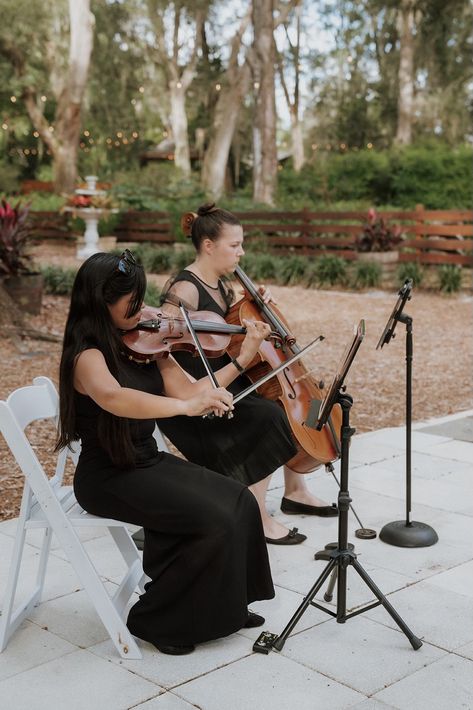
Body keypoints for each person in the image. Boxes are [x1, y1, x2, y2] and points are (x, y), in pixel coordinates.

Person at [55, 249, 275, 656]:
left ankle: (228, 604)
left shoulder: (145, 344)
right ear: (100, 302)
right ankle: (159, 621)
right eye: (132, 303)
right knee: (211, 519)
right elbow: (116, 398)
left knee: (239, 500)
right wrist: (184, 408)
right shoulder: (87, 357)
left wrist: (242, 359)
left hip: (146, 460)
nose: (143, 311)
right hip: (109, 476)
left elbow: (193, 391)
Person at [156, 202, 338, 545]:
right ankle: (256, 514)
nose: (242, 252)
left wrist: (257, 303)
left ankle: (296, 491)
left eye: (241, 244)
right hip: (201, 392)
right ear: (208, 246)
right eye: (234, 245)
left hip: (227, 378)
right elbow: (162, 343)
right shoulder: (185, 288)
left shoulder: (224, 289)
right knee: (271, 417)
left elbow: (234, 331)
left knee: (292, 406)